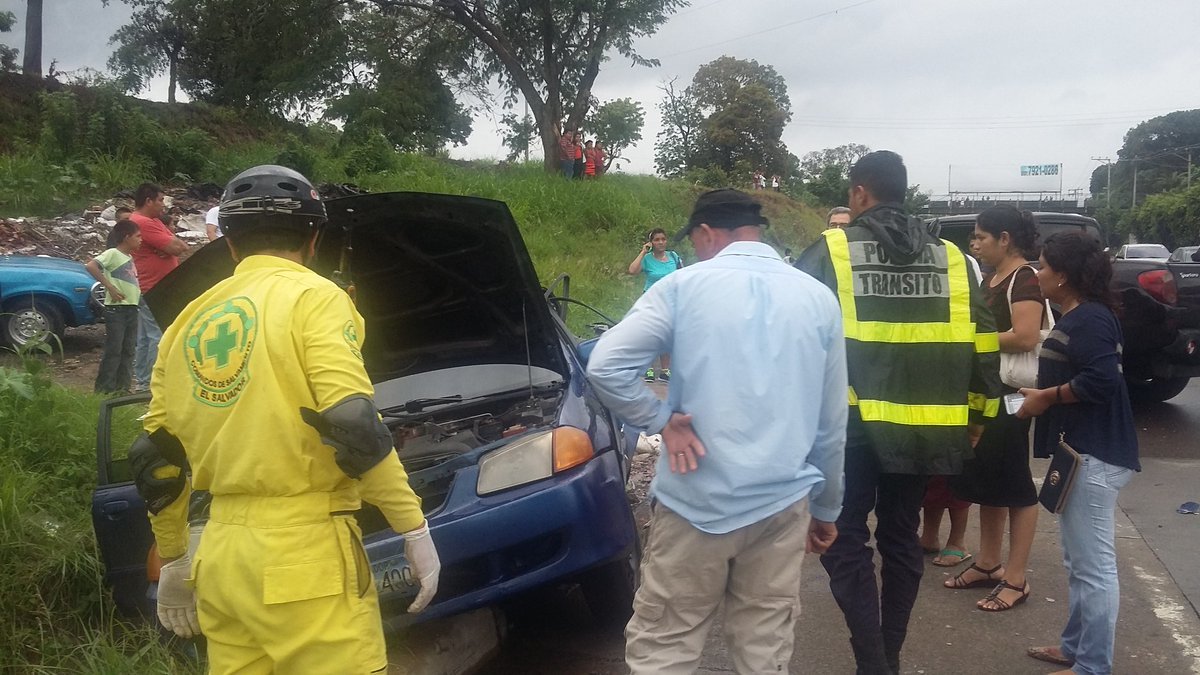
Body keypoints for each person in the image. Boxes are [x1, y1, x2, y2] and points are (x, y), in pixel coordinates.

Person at [130, 165, 441, 673]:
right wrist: (412, 528)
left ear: (229, 243)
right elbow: (354, 424)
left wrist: (174, 559)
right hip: (305, 558)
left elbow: (155, 459)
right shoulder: (316, 298)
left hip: (221, 558)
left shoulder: (187, 320)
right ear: (313, 238)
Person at [588, 187, 846, 675]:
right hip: (782, 506)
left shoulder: (682, 288)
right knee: (764, 650)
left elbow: (606, 366)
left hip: (696, 504)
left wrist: (661, 419)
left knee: (666, 644)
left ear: (706, 233)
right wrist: (828, 508)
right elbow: (831, 423)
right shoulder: (818, 298)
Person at [796, 150, 1002, 674]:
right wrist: (977, 416)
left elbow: (795, 335)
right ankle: (888, 657)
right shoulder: (954, 259)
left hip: (853, 426)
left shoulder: (832, 251)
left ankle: (873, 662)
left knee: (843, 539)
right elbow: (982, 341)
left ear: (860, 193)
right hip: (926, 427)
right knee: (901, 535)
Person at [1017, 231, 1140, 675]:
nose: (1038, 273)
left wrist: (1046, 396)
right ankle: (1075, 648)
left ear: (1063, 276)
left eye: (1044, 267)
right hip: (1081, 453)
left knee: (1094, 568)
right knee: (1080, 560)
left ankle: (1092, 666)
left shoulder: (1089, 319)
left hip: (1096, 455)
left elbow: (1102, 382)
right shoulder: (1080, 315)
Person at [946, 206, 1044, 611]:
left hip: (1012, 393)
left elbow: (1024, 336)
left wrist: (970, 337)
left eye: (981, 236)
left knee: (1015, 484)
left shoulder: (1024, 279)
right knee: (988, 477)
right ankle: (987, 563)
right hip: (991, 391)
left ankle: (1016, 578)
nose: (974, 243)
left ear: (1005, 239)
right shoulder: (993, 277)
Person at [129, 183, 188, 393]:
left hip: (151, 285)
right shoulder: (144, 223)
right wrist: (168, 250)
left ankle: (144, 382)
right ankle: (153, 383)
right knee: (157, 335)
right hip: (154, 287)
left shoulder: (150, 221)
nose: (163, 205)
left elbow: (181, 246)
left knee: (145, 337)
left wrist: (170, 249)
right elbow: (175, 247)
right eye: (160, 200)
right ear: (148, 201)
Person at [86, 220, 142, 394]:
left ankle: (122, 388)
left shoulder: (129, 257)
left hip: (132, 308)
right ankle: (104, 389)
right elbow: (91, 265)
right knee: (114, 351)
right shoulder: (113, 253)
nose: (141, 240)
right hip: (117, 310)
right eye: (138, 236)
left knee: (128, 351)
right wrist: (109, 286)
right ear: (126, 237)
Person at [626, 228, 682, 382]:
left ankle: (665, 370)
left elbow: (681, 275)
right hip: (651, 301)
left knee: (666, 335)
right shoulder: (648, 258)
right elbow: (632, 270)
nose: (661, 242)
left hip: (670, 301)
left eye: (663, 239)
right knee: (651, 334)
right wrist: (643, 252)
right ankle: (649, 369)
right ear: (651, 242)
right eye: (657, 240)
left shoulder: (673, 256)